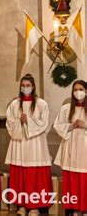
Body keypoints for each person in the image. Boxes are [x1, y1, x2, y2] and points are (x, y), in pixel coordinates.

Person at [5, 73, 52, 215]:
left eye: (28, 85)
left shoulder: (41, 104)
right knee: (20, 174)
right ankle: (22, 205)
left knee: (34, 175)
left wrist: (28, 121)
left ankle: (34, 206)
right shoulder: (14, 104)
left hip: (35, 144)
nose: (25, 88)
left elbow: (44, 124)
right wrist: (19, 121)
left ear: (33, 87)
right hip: (19, 143)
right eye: (23, 85)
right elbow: (9, 123)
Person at [53, 80, 87, 215]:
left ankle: (85, 209)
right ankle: (74, 208)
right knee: (72, 179)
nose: (78, 92)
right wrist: (71, 126)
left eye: (81, 89)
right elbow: (58, 125)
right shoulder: (66, 108)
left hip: (84, 148)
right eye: (75, 89)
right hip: (71, 147)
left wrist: (85, 125)